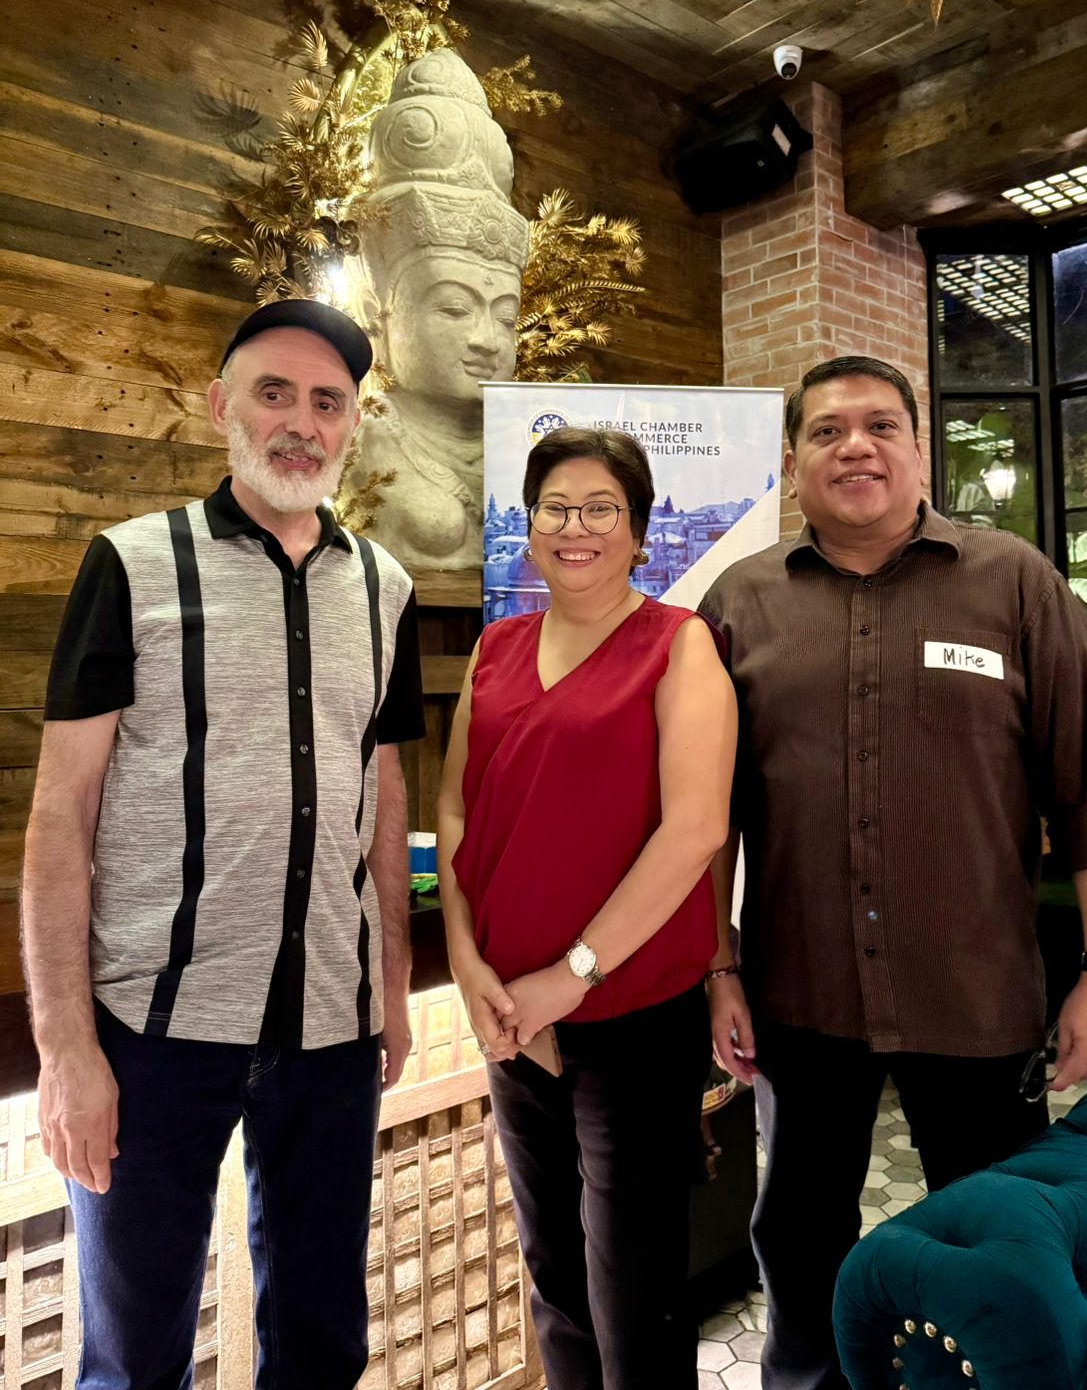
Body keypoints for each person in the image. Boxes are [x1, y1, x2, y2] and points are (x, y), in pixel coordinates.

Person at [699, 356, 1087, 1390]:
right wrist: (718, 967)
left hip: (976, 993)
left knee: (1001, 1251)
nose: (854, 446)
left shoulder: (1014, 582)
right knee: (799, 1238)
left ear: (918, 447)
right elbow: (709, 817)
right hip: (800, 995)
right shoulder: (740, 602)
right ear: (794, 461)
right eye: (826, 430)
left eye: (880, 425)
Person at [21, 299, 426, 1389]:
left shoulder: (385, 588)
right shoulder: (133, 565)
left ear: (352, 426)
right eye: (274, 392)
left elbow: (384, 794)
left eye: (328, 402)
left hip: (330, 1028)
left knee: (321, 1344)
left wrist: (389, 986)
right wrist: (66, 1048)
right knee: (132, 1357)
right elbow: (61, 812)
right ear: (220, 407)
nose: (302, 422)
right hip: (151, 1032)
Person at [436, 426, 737, 1390]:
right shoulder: (495, 648)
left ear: (640, 532)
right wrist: (469, 964)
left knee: (636, 1293)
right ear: (528, 527)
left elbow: (696, 828)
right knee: (556, 1279)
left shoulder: (680, 646)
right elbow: (456, 809)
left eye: (602, 508)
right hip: (512, 1020)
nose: (577, 527)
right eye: (555, 508)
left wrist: (571, 978)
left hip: (631, 1022)